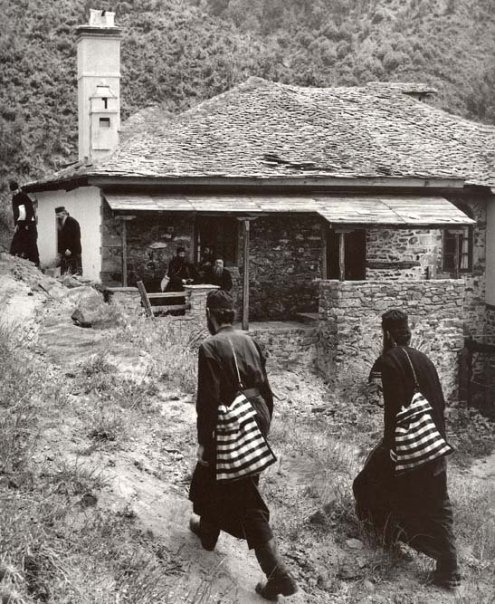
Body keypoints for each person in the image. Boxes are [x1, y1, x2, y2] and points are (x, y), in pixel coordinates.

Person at [188, 290, 298, 600]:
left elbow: (208, 400)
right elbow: (266, 389)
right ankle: (208, 530)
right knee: (216, 474)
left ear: (209, 315)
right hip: (257, 411)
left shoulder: (210, 346)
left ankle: (277, 574)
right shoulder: (250, 341)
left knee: (243, 491)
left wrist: (204, 441)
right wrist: (263, 427)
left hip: (232, 418)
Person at [353, 309, 460, 590]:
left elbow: (394, 410)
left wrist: (391, 447)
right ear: (408, 331)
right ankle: (448, 567)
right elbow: (439, 404)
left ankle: (387, 535)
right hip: (435, 441)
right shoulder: (425, 360)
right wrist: (439, 443)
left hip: (410, 444)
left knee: (366, 484)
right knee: (437, 502)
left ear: (387, 334)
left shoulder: (390, 361)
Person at [9, 180, 40, 266]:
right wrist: (16, 224)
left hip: (29, 223)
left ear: (18, 189)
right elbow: (15, 214)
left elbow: (30, 211)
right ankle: (16, 258)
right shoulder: (14, 199)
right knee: (17, 241)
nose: (14, 193)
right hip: (20, 223)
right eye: (13, 192)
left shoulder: (24, 196)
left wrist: (28, 224)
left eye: (15, 191)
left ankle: (35, 262)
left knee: (31, 242)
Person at [56, 207, 82, 275]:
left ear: (63, 213)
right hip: (66, 252)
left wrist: (70, 249)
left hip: (73, 251)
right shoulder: (61, 222)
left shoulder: (72, 222)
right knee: (66, 272)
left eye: (58, 215)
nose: (57, 217)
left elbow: (76, 237)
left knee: (75, 272)